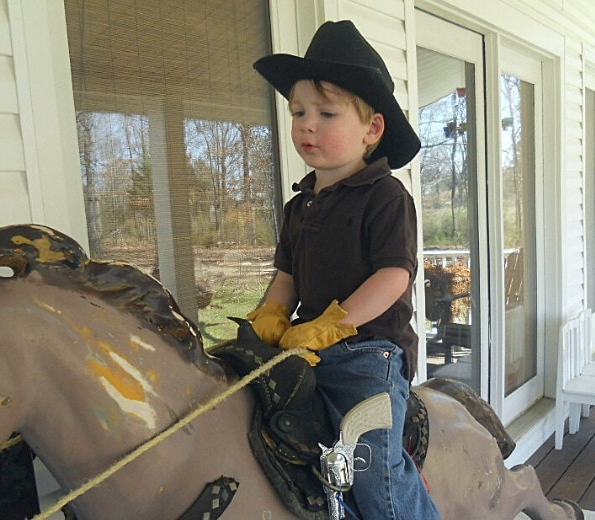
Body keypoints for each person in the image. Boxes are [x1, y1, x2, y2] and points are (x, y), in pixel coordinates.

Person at [248, 20, 441, 520]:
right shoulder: (301, 205)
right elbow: (287, 276)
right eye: (298, 112)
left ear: (372, 130)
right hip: (305, 347)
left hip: (366, 353)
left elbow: (394, 275)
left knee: (372, 469)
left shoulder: (384, 196)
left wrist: (333, 325)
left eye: (326, 113)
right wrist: (270, 316)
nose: (306, 124)